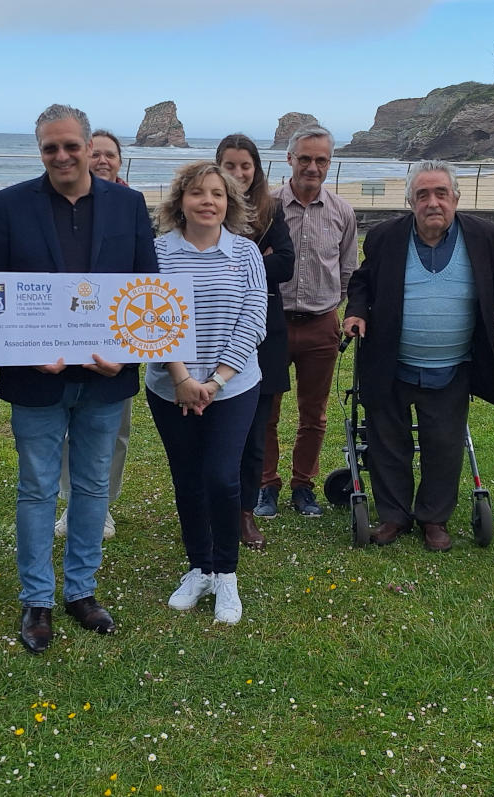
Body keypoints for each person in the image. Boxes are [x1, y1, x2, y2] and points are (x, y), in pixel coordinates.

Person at [0, 103, 157, 655]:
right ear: (41, 151)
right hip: (37, 379)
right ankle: (37, 598)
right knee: (35, 488)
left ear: (88, 146)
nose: (61, 155)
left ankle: (81, 590)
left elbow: (148, 287)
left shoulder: (128, 204)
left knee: (92, 486)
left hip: (106, 378)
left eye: (70, 146)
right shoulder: (11, 205)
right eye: (50, 148)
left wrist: (126, 358)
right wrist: (25, 349)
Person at [343, 160, 494, 552]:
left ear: (455, 197)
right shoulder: (385, 237)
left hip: (452, 368)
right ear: (409, 201)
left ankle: (434, 518)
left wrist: (478, 313)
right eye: (422, 195)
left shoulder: (484, 236)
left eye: (440, 193)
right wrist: (355, 311)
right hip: (391, 363)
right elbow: (363, 281)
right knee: (387, 442)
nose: (432, 202)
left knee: (444, 444)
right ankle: (394, 516)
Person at [147, 161, 267, 623]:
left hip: (233, 388)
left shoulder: (246, 254)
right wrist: (181, 379)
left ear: (229, 202)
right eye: (197, 193)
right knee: (188, 479)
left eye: (217, 194)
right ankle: (199, 567)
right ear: (180, 201)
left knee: (221, 477)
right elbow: (150, 317)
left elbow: (253, 322)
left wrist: (214, 382)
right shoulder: (156, 252)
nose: (207, 202)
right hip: (169, 386)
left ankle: (227, 575)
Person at [256, 125, 358, 520]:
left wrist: (339, 311)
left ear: (329, 163)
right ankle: (267, 485)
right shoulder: (267, 206)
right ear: (289, 159)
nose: (312, 167)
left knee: (313, 413)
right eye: (305, 158)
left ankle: (304, 486)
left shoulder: (342, 212)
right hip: (271, 323)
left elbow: (347, 270)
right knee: (266, 409)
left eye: (321, 160)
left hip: (320, 325)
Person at [53, 127, 132, 541]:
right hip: (64, 328)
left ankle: (101, 506)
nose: (103, 161)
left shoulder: (132, 207)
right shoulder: (60, 205)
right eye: (96, 153)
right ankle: (72, 501)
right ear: (84, 155)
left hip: (114, 337)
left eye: (110, 155)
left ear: (119, 161)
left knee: (114, 430)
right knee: (66, 427)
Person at [216, 134, 294, 550]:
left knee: (254, 433)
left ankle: (245, 515)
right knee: (209, 431)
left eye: (246, 166)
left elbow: (285, 263)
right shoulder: (206, 208)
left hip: (263, 334)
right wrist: (254, 258)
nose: (239, 173)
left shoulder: (272, 210)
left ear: (256, 169)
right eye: (230, 165)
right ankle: (211, 510)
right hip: (209, 335)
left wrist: (244, 264)